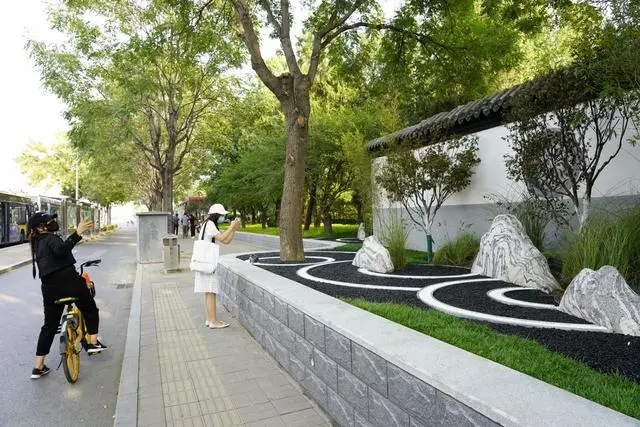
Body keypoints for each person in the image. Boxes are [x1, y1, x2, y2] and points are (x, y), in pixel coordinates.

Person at [29, 212, 107, 379]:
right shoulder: (50, 238)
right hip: (69, 283)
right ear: (40, 228)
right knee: (90, 309)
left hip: (49, 289)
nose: (52, 222)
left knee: (49, 326)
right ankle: (93, 343)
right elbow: (61, 250)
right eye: (48, 221)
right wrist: (78, 233)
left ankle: (38, 367)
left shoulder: (37, 243)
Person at [194, 204, 241, 329]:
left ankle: (210, 319)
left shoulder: (208, 224)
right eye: (222, 215)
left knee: (208, 292)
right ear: (217, 215)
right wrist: (231, 227)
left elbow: (226, 241)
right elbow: (222, 237)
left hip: (204, 263)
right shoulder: (209, 224)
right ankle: (214, 321)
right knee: (211, 292)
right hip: (208, 264)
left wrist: (234, 230)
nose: (223, 217)